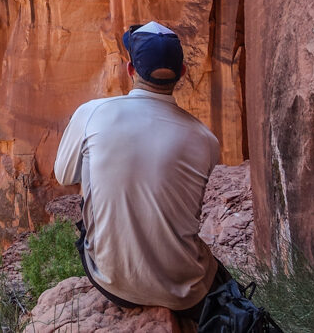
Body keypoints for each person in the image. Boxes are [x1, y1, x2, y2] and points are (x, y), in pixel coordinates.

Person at [54, 21, 229, 322]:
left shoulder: (93, 113)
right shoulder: (206, 140)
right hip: (185, 294)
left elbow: (64, 176)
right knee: (223, 279)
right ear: (182, 74)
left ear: (130, 69)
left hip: (112, 281)